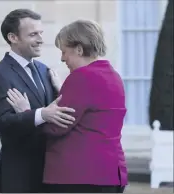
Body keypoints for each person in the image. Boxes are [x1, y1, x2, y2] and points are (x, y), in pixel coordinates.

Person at [7, 19, 128, 193]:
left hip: (79, 175)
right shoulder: (113, 75)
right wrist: (62, 92)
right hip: (111, 172)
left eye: (64, 51)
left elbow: (57, 126)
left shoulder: (81, 77)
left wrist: (27, 112)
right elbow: (89, 116)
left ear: (79, 49)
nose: (62, 58)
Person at [0, 9, 76, 193]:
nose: (41, 39)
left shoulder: (45, 70)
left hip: (51, 173)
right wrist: (42, 114)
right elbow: (3, 123)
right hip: (19, 176)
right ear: (13, 37)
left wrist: (61, 91)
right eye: (33, 34)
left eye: (41, 33)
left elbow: (61, 114)